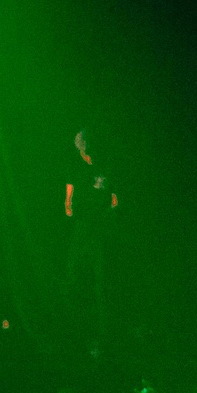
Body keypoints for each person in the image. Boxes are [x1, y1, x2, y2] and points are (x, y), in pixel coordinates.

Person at [64, 127, 119, 341]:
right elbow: (70, 188)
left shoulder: (105, 166)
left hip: (100, 229)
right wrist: (68, 204)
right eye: (83, 148)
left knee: (102, 280)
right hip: (82, 227)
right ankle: (76, 332)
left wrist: (109, 213)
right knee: (75, 277)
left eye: (88, 148)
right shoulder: (77, 166)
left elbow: (115, 198)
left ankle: (104, 334)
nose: (86, 152)